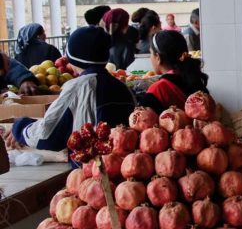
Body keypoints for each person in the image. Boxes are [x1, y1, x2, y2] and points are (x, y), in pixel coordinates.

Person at [6, 26, 136, 153]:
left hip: (91, 168)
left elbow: (47, 135)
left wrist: (19, 126)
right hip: (123, 163)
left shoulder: (77, 86)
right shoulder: (122, 87)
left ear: (74, 58)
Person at [138, 30, 209, 113]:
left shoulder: (158, 89)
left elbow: (141, 120)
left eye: (151, 53)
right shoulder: (194, 78)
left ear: (158, 57)